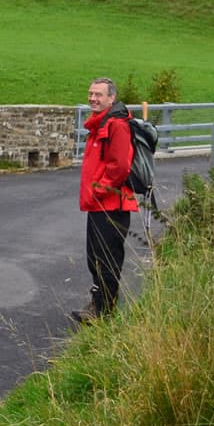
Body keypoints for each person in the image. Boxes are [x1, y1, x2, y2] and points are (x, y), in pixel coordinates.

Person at [74, 76, 139, 323]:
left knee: (107, 258)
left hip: (111, 204)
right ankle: (99, 307)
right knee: (96, 257)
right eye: (90, 93)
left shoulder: (117, 125)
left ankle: (104, 313)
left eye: (98, 94)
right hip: (99, 204)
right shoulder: (101, 123)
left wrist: (100, 190)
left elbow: (120, 166)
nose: (92, 98)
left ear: (111, 98)